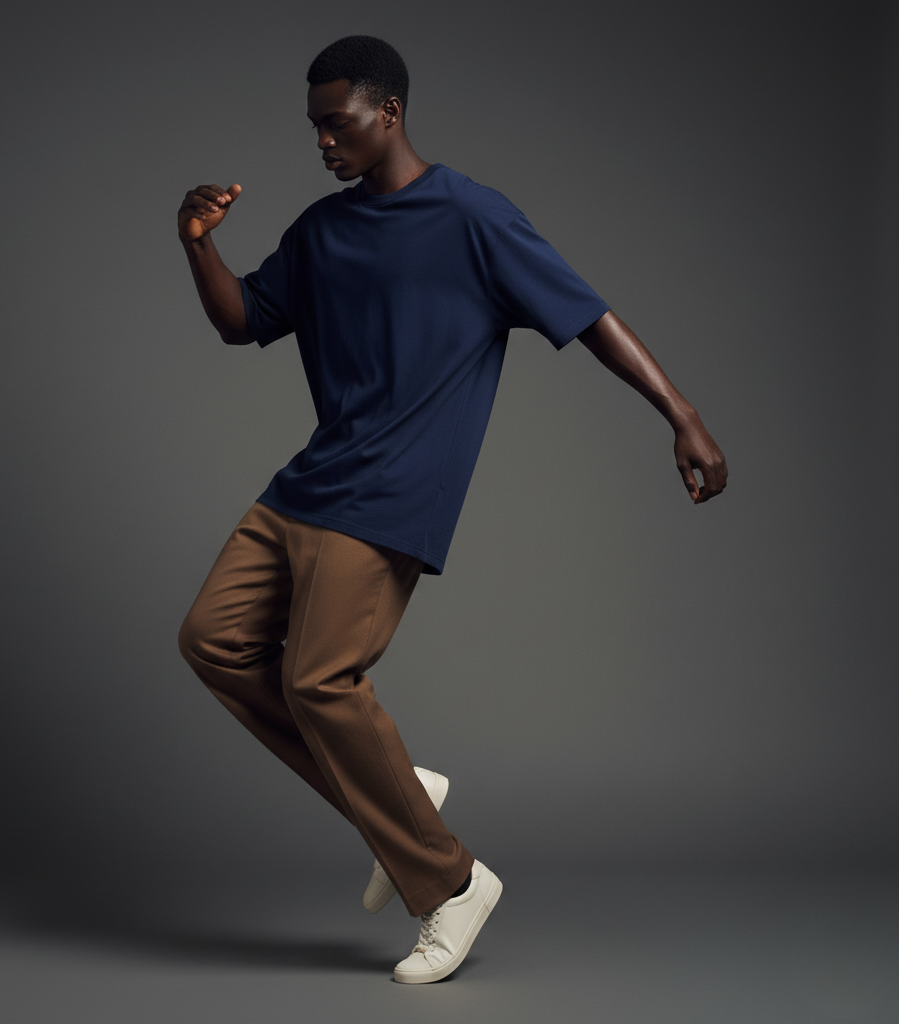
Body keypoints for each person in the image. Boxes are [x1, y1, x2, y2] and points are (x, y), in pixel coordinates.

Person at [175, 35, 727, 985]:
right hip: (309, 482)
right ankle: (403, 798)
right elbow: (242, 321)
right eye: (313, 128)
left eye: (337, 123)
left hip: (391, 492)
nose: (322, 142)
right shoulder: (322, 230)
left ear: (388, 113)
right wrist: (198, 244)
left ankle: (453, 884)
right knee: (212, 641)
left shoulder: (472, 216)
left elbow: (589, 315)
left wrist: (682, 414)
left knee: (318, 680)